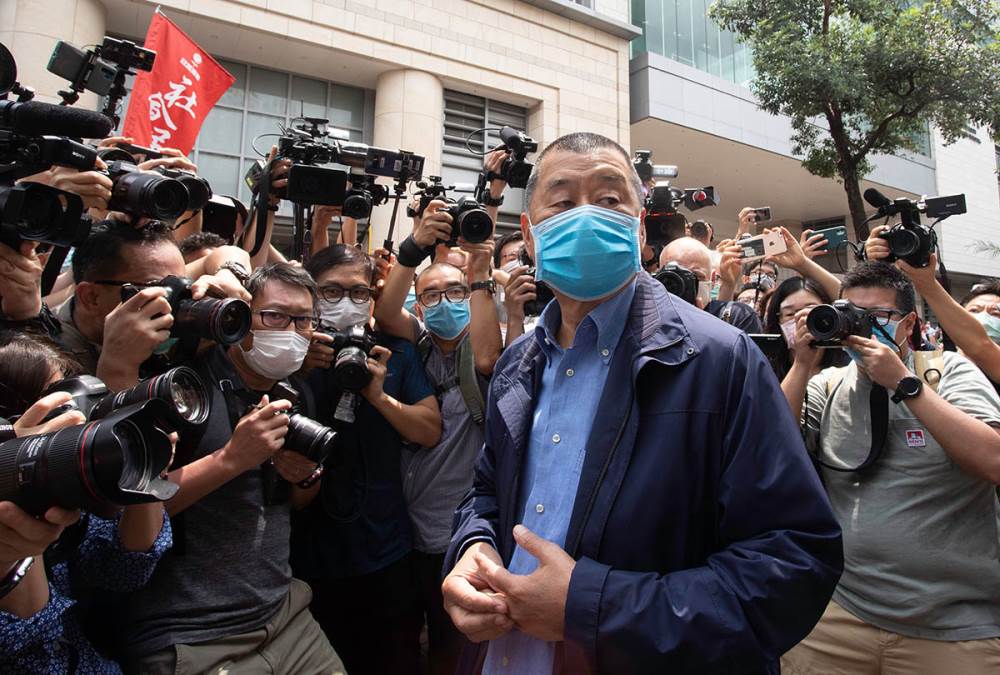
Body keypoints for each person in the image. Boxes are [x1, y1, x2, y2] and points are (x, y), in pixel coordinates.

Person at [442, 132, 843, 674]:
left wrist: (593, 608)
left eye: (609, 199)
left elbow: (792, 561)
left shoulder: (720, 360)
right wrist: (472, 548)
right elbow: (486, 493)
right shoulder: (518, 363)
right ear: (531, 237)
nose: (586, 217)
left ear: (638, 227)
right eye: (562, 202)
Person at [782, 261, 1000, 674]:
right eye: (851, 314)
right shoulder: (828, 384)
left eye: (878, 316)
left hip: (953, 626)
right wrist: (801, 365)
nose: (861, 327)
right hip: (842, 609)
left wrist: (904, 383)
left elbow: (994, 461)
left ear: (909, 322)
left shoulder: (945, 371)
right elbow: (772, 452)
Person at [122, 262, 340, 675]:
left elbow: (296, 501)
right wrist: (232, 459)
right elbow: (131, 522)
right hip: (193, 633)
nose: (291, 332)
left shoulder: (294, 393)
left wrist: (305, 475)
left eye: (303, 320)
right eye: (274, 316)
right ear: (238, 316)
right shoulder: (181, 392)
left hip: (284, 615)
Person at [291, 244, 441, 675]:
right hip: (309, 551)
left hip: (385, 546)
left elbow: (429, 430)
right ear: (312, 295)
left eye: (359, 292)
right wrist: (299, 369)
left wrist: (378, 396)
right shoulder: (290, 353)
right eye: (331, 292)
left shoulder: (393, 354)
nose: (347, 302)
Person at [376, 211, 503, 674]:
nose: (445, 302)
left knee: (456, 647)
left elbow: (488, 359)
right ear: (420, 305)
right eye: (431, 295)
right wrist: (412, 249)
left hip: (462, 531)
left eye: (455, 292)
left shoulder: (484, 344)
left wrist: (481, 274)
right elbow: (385, 313)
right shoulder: (418, 346)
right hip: (409, 531)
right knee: (408, 640)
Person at [0, 333, 171, 674]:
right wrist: (15, 476)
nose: (79, 424)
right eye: (60, 413)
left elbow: (126, 568)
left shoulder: (67, 493)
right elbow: (38, 660)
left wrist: (145, 473)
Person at [54, 219, 252, 391]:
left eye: (182, 284)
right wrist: (119, 364)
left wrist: (229, 274)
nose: (176, 302)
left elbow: (230, 252)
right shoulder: (50, 360)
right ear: (91, 297)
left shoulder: (158, 275)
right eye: (163, 289)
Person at [867, 229, 1000, 384]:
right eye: (974, 310)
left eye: (995, 313)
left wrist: (927, 284)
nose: (983, 317)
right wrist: (877, 268)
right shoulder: (929, 364)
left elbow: (980, 345)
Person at [760, 277, 847, 398]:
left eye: (811, 310)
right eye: (790, 314)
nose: (801, 319)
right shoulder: (764, 369)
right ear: (777, 321)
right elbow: (780, 409)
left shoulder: (847, 364)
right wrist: (801, 362)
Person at [659, 236, 764, 332]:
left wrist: (700, 326)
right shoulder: (649, 320)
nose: (684, 284)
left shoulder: (739, 316)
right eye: (674, 277)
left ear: (712, 279)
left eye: (695, 276)